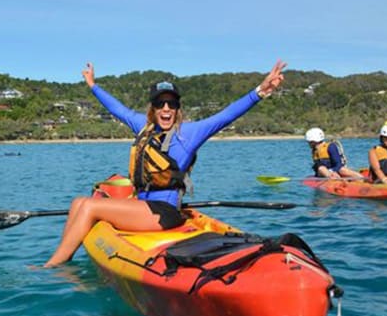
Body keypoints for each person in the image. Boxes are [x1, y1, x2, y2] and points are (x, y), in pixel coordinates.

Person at [43, 60, 287, 268]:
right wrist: (93, 86)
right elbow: (118, 109)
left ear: (178, 108)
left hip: (165, 213)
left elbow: (226, 115)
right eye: (160, 104)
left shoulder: (189, 134)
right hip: (143, 207)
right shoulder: (144, 128)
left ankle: (53, 267)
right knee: (78, 202)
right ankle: (66, 259)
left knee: (89, 206)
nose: (166, 108)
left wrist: (260, 91)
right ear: (153, 109)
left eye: (172, 104)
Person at [368, 120, 387, 184]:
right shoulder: (373, 151)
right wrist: (385, 180)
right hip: (379, 180)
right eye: (386, 137)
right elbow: (376, 169)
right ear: (382, 138)